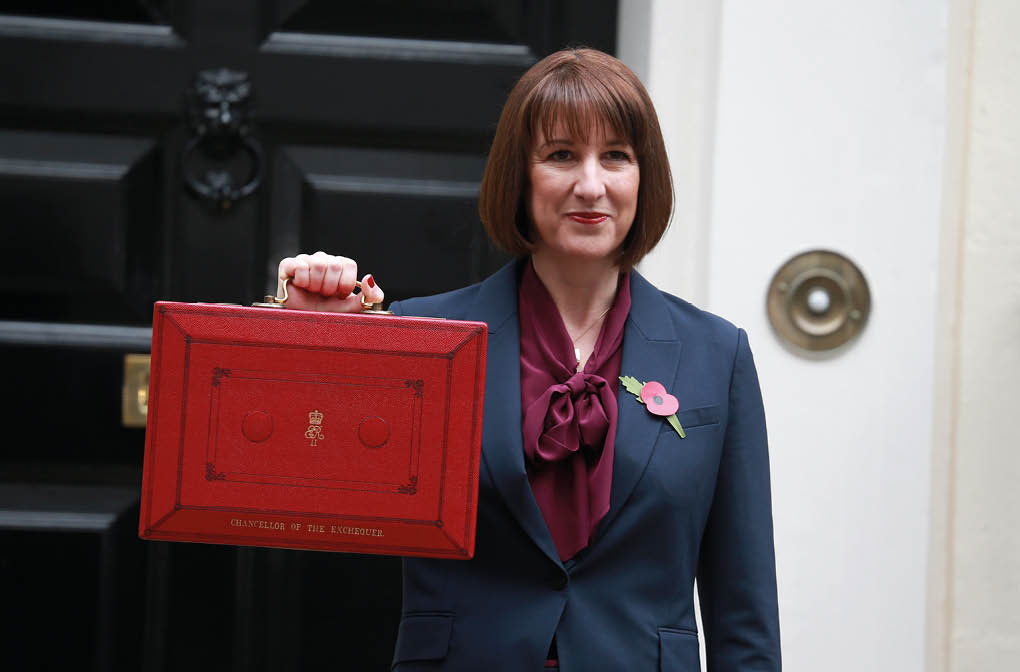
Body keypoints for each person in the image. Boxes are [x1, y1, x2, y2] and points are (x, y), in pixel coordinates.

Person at [277, 48, 780, 671]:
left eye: (616, 156)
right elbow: (299, 485)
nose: (590, 185)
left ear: (644, 177)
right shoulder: (424, 336)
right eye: (562, 155)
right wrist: (309, 336)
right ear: (520, 174)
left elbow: (744, 609)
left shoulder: (717, 354)